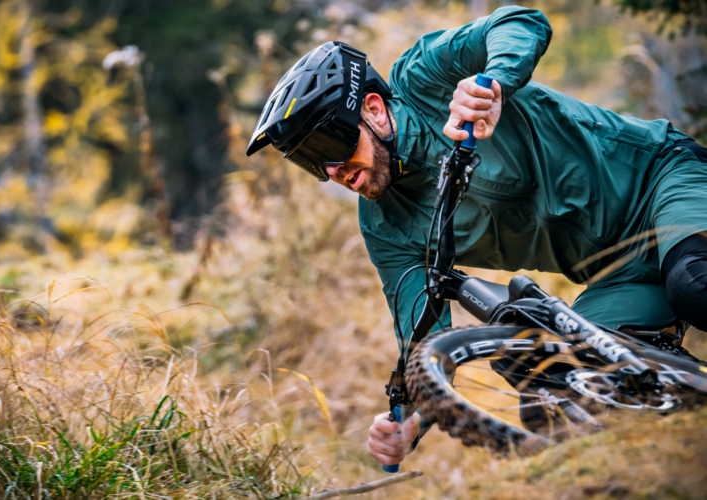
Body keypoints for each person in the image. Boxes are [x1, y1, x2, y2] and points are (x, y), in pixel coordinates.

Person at [245, 6, 707, 468]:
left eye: (329, 145)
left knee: (694, 284)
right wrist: (408, 419)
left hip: (663, 179)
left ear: (373, 109)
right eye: (311, 162)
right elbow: (420, 337)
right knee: (549, 377)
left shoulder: (424, 77)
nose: (332, 170)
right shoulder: (386, 227)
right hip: (620, 277)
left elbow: (521, 22)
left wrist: (495, 82)